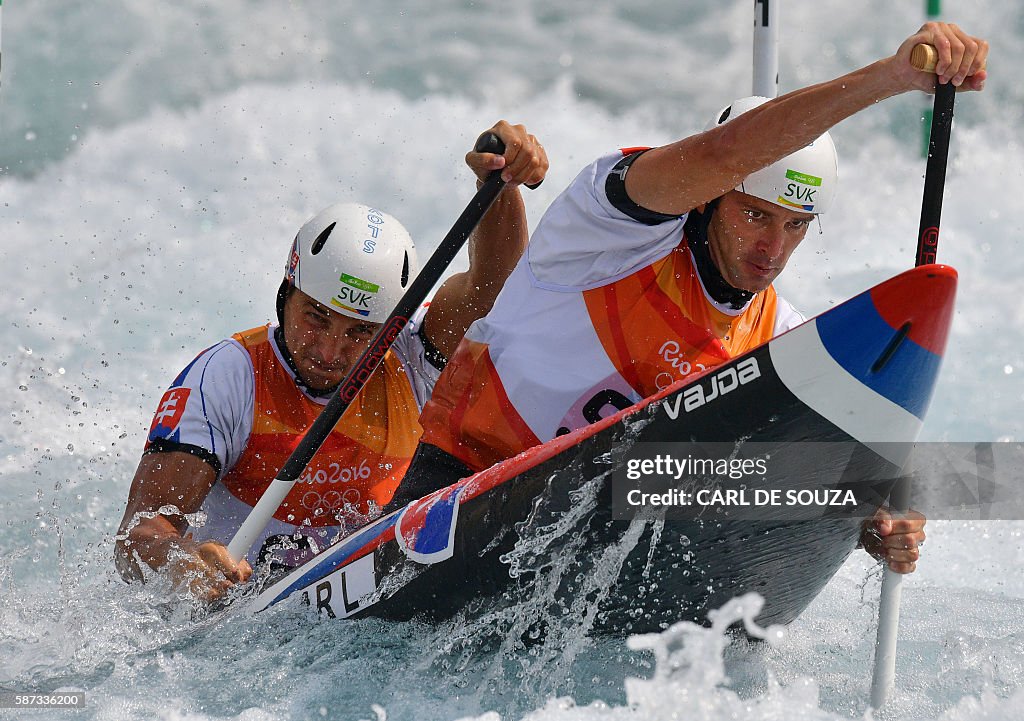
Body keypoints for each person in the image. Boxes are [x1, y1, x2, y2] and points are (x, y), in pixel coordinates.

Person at [400, 23, 988, 574]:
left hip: (594, 548)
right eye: (756, 215)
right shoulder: (608, 229)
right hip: (458, 486)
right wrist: (891, 76)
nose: (772, 249)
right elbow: (721, 155)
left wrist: (871, 516)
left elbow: (791, 482)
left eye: (795, 225)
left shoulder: (781, 340)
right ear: (709, 200)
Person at [114, 121, 548, 602]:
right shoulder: (229, 376)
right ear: (286, 294)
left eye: (360, 332)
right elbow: (139, 532)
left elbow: (494, 285)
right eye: (316, 317)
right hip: (236, 620)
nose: (329, 351)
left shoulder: (409, 353)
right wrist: (186, 565)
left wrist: (501, 180)